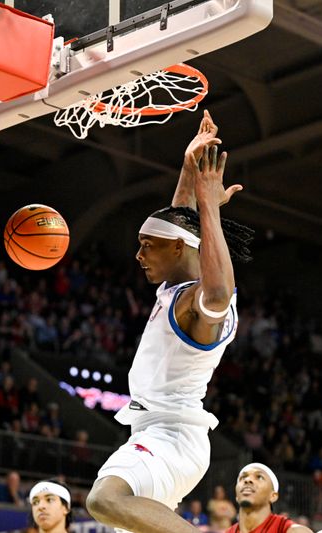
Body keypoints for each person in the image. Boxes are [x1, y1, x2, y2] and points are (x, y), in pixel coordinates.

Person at [85, 110, 253, 533]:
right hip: (154, 431)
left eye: (146, 246)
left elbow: (218, 290)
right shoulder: (175, 284)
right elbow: (180, 216)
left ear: (178, 249)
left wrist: (211, 207)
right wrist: (188, 166)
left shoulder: (199, 304)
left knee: (104, 500)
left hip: (172, 435)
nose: (138, 255)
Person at [225, 463, 314, 533]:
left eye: (259, 477)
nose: (248, 480)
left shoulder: (289, 530)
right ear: (237, 497)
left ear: (273, 496)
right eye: (243, 477)